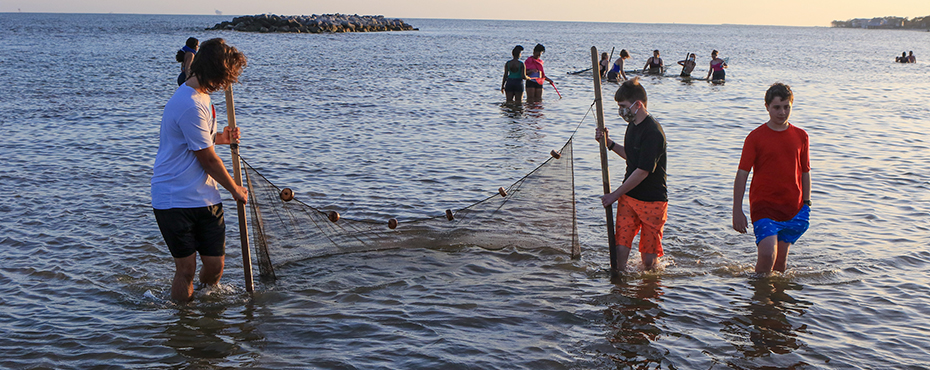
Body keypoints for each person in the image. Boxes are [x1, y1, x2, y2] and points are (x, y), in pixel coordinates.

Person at [152, 38, 249, 303]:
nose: (225, 84)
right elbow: (207, 159)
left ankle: (206, 303)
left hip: (205, 196)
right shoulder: (190, 103)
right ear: (214, 73)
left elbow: (199, 139)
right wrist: (235, 189)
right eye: (225, 78)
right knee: (186, 269)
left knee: (215, 266)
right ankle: (184, 323)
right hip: (174, 198)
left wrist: (221, 137)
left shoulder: (200, 94)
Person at [732, 83, 811, 274]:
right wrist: (737, 210)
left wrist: (807, 203)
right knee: (768, 255)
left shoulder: (801, 136)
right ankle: (758, 298)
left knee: (780, 263)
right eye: (777, 107)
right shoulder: (755, 137)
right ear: (767, 107)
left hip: (792, 207)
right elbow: (742, 173)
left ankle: (775, 302)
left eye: (786, 107)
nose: (782, 112)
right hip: (764, 206)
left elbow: (805, 171)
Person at [595, 77, 668, 273]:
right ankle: (618, 284)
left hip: (652, 201)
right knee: (620, 252)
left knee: (648, 263)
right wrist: (609, 144)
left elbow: (642, 171)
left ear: (638, 104)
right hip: (629, 199)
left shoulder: (653, 132)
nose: (621, 111)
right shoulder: (632, 126)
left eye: (623, 106)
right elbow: (632, 157)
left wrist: (614, 195)